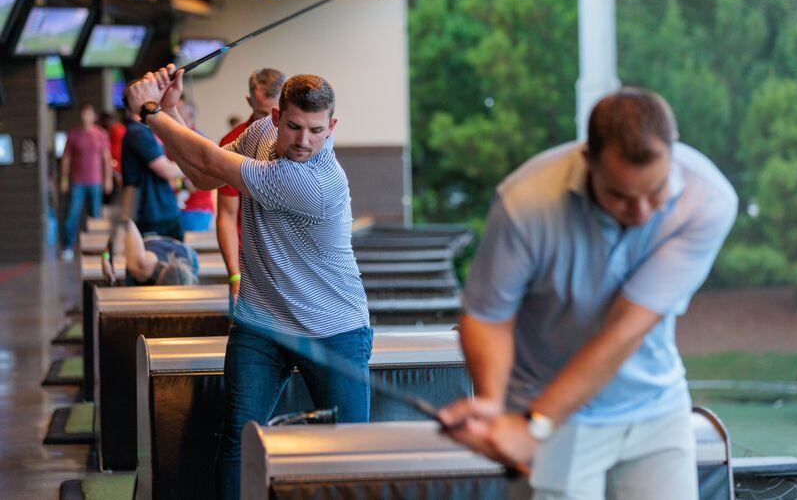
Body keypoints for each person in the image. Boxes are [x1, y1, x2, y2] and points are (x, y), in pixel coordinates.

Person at [439, 88, 738, 500]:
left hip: (653, 411)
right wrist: (492, 403)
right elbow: (489, 316)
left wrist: (532, 426)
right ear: (588, 161)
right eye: (620, 196)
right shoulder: (526, 203)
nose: (641, 213)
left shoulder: (708, 201)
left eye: (654, 194)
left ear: (673, 151)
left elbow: (625, 330)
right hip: (550, 412)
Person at [125, 65, 371, 500]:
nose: (304, 141)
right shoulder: (260, 135)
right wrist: (169, 108)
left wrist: (150, 112)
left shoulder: (316, 182)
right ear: (275, 118)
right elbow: (203, 175)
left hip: (333, 329)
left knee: (350, 450)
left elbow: (205, 159)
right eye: (294, 127)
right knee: (240, 438)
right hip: (261, 322)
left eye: (317, 130)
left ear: (332, 126)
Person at [217, 68, 285, 300]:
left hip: (288, 261)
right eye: (262, 113)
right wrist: (234, 275)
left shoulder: (297, 143)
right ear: (249, 101)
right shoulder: (232, 143)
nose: (269, 122)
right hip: (248, 262)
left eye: (275, 114)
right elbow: (226, 214)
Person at [121, 97, 184, 240]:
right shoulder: (138, 132)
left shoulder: (141, 130)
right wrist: (189, 166)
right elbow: (166, 170)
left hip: (159, 210)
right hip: (153, 212)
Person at [60, 103, 113, 260]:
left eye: (89, 113)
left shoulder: (100, 134)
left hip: (96, 181)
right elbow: (66, 159)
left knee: (95, 216)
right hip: (77, 181)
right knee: (72, 214)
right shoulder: (73, 134)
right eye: (83, 113)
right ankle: (67, 246)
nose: (86, 116)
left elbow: (106, 157)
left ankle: (95, 248)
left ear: (94, 116)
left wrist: (108, 179)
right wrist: (64, 179)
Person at [101, 219, 199, 286]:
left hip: (187, 255)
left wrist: (106, 258)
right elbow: (124, 222)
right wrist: (106, 258)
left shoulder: (189, 273)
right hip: (156, 245)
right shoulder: (141, 265)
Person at [176, 99, 215, 231]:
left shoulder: (200, 141)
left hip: (195, 210)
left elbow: (202, 179)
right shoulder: (174, 138)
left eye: (178, 111)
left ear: (190, 117)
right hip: (178, 208)